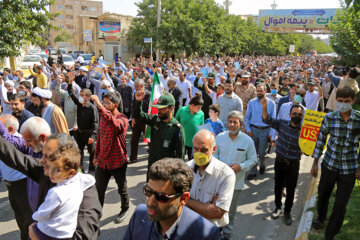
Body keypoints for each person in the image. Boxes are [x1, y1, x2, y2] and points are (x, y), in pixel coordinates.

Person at [0, 120, 102, 239]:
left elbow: (84, 235)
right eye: (42, 155)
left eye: (47, 156)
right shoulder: (47, 170)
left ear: (64, 161)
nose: (41, 160)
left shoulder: (85, 191)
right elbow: (14, 157)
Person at [124, 158, 221, 240]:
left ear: (183, 198)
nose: (150, 202)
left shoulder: (206, 234)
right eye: (148, 191)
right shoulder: (139, 214)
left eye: (161, 197)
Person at [311, 86, 360, 239]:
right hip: (329, 165)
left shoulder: (359, 120)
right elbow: (320, 140)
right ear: (336, 101)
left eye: (347, 101)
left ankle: (330, 234)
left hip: (349, 168)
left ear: (353, 101)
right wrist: (314, 163)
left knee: (340, 204)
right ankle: (321, 217)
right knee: (323, 196)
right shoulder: (329, 118)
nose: (343, 104)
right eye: (340, 101)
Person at [28, 134, 96, 240]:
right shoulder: (79, 181)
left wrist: (35, 233)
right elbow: (90, 179)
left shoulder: (57, 192)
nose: (41, 160)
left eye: (49, 157)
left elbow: (42, 214)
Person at [261, 97, 304, 225]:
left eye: (299, 115)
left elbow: (308, 150)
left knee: (291, 190)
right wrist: (264, 107)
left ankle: (287, 212)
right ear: (290, 115)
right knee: (278, 186)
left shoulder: (304, 132)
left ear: (302, 116)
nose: (296, 116)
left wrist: (305, 148)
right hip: (280, 161)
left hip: (293, 164)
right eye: (294, 114)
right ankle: (278, 207)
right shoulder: (282, 123)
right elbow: (267, 119)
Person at [214, 111, 257, 238]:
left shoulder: (248, 141)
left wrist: (241, 166)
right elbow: (214, 155)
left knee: (230, 210)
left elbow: (253, 159)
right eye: (230, 121)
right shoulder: (220, 137)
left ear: (241, 124)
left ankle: (227, 233)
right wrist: (220, 166)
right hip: (218, 181)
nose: (232, 125)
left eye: (235, 122)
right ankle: (215, 231)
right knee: (215, 206)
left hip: (236, 183)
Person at [90, 92, 130, 224]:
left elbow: (115, 124)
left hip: (118, 161)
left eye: (108, 103)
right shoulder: (103, 117)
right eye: (104, 102)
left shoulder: (122, 119)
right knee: (99, 190)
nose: (105, 105)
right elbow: (100, 138)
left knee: (122, 189)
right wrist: (96, 156)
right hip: (103, 162)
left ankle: (125, 209)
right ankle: (96, 216)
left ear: (115, 105)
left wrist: (100, 106)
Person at [186, 129, 236, 228]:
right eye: (195, 149)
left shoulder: (226, 174)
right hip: (187, 227)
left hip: (211, 230)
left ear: (213, 149)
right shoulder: (185, 168)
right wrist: (207, 207)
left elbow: (217, 212)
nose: (198, 153)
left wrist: (186, 201)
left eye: (204, 150)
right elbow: (176, 202)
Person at [0, 115, 33, 240]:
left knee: (30, 220)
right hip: (11, 186)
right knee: (21, 220)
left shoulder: (20, 143)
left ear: (10, 129)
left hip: (23, 186)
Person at [133, 92, 185, 170]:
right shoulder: (155, 120)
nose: (159, 111)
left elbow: (180, 155)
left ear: (171, 109)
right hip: (153, 166)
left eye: (162, 109)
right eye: (158, 108)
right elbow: (139, 116)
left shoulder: (177, 128)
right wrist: (138, 101)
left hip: (166, 170)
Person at [68, 74, 98, 172]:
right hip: (79, 133)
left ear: (88, 98)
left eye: (82, 95)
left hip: (89, 134)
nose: (80, 97)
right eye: (80, 95)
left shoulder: (92, 108)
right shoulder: (79, 104)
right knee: (79, 153)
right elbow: (71, 93)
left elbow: (95, 123)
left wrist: (92, 137)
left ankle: (92, 170)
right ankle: (80, 170)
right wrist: (70, 82)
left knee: (92, 153)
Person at [245, 84, 276, 179]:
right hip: (253, 130)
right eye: (257, 91)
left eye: (261, 91)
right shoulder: (251, 102)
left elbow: (273, 120)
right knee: (253, 152)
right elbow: (247, 117)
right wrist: (248, 130)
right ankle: (253, 171)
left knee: (262, 153)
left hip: (265, 131)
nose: (259, 92)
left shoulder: (271, 103)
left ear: (265, 91)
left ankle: (262, 164)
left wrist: (271, 134)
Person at [175, 96, 204, 160]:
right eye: (198, 107)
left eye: (201, 108)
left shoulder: (201, 113)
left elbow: (201, 126)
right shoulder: (182, 110)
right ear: (192, 105)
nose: (200, 109)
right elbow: (175, 122)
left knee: (192, 160)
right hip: (182, 140)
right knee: (179, 159)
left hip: (194, 142)